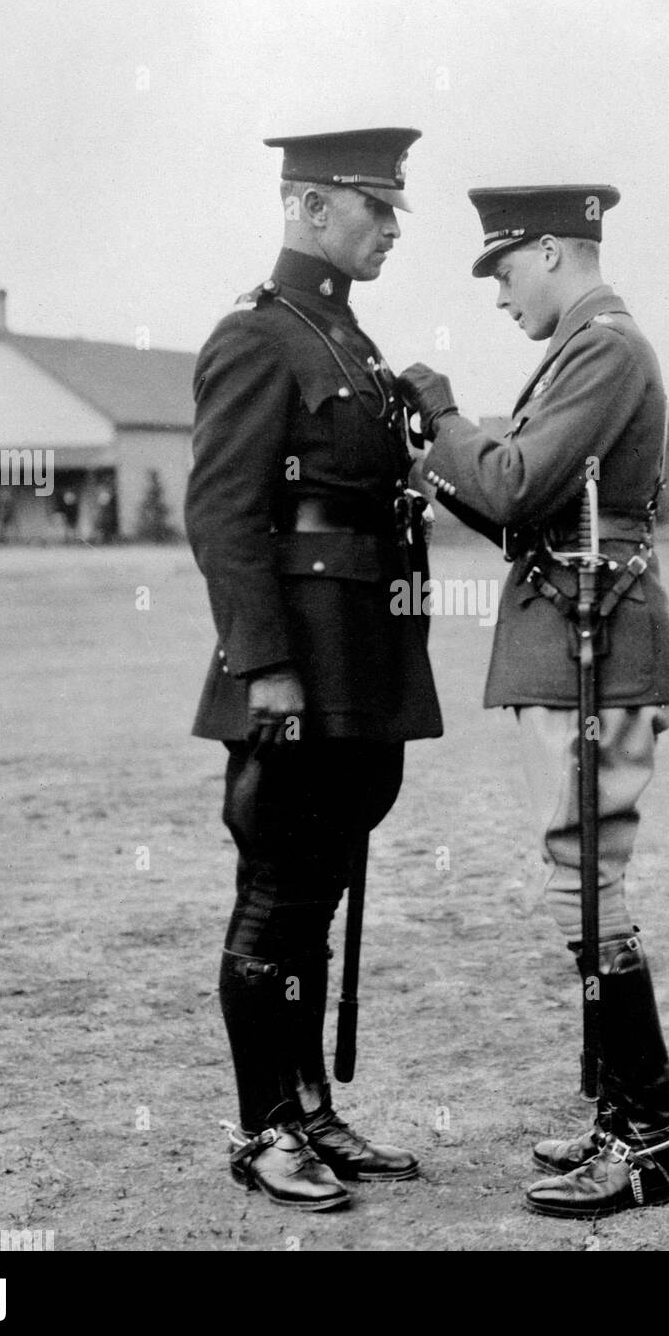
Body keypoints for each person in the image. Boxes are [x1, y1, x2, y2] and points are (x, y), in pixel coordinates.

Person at [398, 185, 669, 1218]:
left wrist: (440, 413)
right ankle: (619, 1119)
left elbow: (520, 482)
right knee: (580, 880)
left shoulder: (602, 346)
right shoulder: (584, 347)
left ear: (556, 253)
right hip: (575, 636)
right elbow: (532, 516)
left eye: (503, 269)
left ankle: (648, 1141)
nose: (495, 292)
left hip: (594, 647)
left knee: (588, 887)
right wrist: (438, 477)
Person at [185, 128, 443, 1212]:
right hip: (299, 669)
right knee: (279, 896)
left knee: (319, 893)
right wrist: (267, 669)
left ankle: (309, 1111)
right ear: (306, 205)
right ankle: (262, 1131)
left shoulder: (350, 340)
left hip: (365, 665)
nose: (389, 226)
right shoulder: (259, 335)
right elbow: (223, 515)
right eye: (371, 206)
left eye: (391, 209)